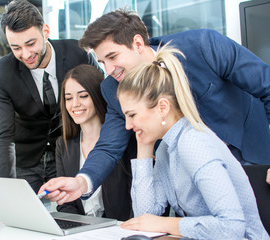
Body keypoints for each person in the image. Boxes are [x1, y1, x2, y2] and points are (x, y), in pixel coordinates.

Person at [40, 9, 270, 205]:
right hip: (191, 185)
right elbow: (109, 146)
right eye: (102, 62)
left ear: (138, 43)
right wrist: (81, 182)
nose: (108, 70)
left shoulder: (204, 46)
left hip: (252, 162)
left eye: (113, 57)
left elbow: (267, 86)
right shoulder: (113, 89)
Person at [117, 44, 269, 239]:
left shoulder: (193, 143)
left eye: (132, 115)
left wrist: (166, 223)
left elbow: (231, 227)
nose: (128, 126)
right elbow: (145, 218)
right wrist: (144, 148)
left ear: (162, 107)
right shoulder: (166, 148)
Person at [0, 0, 95, 193]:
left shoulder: (78, 54)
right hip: (26, 159)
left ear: (45, 31)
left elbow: (101, 105)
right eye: (16, 48)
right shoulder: (2, 72)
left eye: (31, 43)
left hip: (67, 152)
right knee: (24, 217)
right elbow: (3, 136)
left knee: (72, 215)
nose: (26, 54)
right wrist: (5, 188)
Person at [56, 64, 132, 220]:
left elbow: (134, 199)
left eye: (83, 96)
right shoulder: (63, 145)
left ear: (97, 96)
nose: (75, 104)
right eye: (68, 98)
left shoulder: (123, 140)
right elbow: (65, 204)